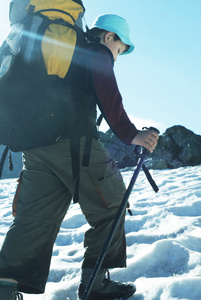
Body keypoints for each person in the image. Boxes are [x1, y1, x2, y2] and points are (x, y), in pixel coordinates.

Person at [0, 13, 158, 300]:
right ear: (109, 36)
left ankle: (4, 287)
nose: (117, 57)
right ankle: (95, 283)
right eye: (120, 49)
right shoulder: (95, 51)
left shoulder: (58, 51)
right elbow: (108, 95)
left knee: (34, 217)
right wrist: (131, 134)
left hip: (34, 146)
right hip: (75, 145)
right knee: (112, 204)